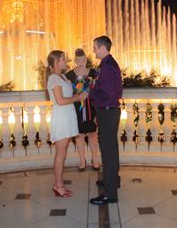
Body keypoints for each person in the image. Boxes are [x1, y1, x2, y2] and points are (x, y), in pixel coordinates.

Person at [46, 50, 88, 198]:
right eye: (63, 59)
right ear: (56, 62)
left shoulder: (63, 77)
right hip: (61, 118)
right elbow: (60, 101)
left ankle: (59, 184)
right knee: (60, 154)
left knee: (62, 153)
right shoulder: (53, 79)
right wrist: (78, 98)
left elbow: (68, 96)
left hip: (68, 116)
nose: (66, 61)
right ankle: (58, 185)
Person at [89, 36, 123, 205]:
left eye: (95, 47)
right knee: (111, 149)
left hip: (108, 112)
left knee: (108, 152)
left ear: (102, 48)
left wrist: (90, 93)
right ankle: (112, 180)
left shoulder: (108, 67)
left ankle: (110, 194)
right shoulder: (107, 64)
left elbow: (108, 93)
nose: (93, 50)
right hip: (108, 112)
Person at [65, 48, 100, 172]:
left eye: (83, 60)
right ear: (75, 61)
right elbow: (67, 93)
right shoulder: (69, 75)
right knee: (79, 135)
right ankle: (82, 160)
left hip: (91, 107)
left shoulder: (93, 73)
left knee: (92, 134)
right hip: (76, 107)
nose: (81, 62)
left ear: (86, 59)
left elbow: (98, 89)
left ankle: (95, 159)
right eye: (78, 60)